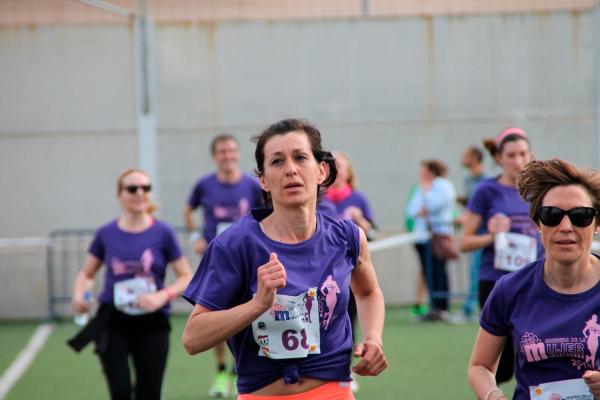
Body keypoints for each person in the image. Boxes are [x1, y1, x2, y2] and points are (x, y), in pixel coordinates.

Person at [182, 118, 387, 399]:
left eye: (300, 157)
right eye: (277, 162)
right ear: (264, 180)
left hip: (333, 391)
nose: (290, 169)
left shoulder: (348, 236)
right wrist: (257, 305)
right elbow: (192, 338)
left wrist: (373, 337)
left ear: (321, 171)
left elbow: (368, 292)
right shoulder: (234, 245)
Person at [468, 158, 600, 400]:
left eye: (581, 215)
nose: (566, 226)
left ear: (597, 224)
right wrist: (492, 395)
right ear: (538, 223)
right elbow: (480, 366)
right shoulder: (510, 289)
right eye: (552, 215)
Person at [69, 168, 192, 400]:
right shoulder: (106, 233)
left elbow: (186, 276)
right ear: (119, 195)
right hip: (113, 319)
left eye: (146, 188)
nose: (140, 193)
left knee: (149, 393)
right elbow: (87, 273)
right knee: (120, 391)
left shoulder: (163, 232)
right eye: (132, 188)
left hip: (152, 321)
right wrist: (79, 294)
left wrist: (163, 295)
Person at [460, 128, 543, 385]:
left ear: (531, 156)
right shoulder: (487, 191)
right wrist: (491, 235)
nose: (517, 161)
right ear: (499, 158)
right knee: (502, 365)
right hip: (497, 282)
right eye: (511, 155)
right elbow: (464, 242)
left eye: (522, 154)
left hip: (537, 280)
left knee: (536, 353)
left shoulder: (542, 190)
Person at [183, 133, 263, 397]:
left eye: (231, 151)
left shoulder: (252, 186)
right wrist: (195, 236)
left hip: (248, 261)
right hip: (216, 261)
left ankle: (240, 370)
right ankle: (220, 373)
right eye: (222, 151)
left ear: (238, 154)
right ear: (215, 156)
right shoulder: (204, 185)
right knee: (214, 314)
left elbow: (266, 214)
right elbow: (188, 209)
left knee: (247, 313)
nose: (227, 155)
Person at [325, 151, 378, 392]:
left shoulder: (358, 199)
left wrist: (363, 224)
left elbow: (373, 233)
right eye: (332, 165)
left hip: (351, 273)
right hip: (324, 274)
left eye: (341, 166)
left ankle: (346, 368)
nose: (337, 170)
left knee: (349, 320)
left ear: (348, 171)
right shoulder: (319, 199)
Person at [406, 159, 456, 320]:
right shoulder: (421, 186)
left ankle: (442, 307)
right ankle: (434, 306)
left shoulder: (442, 184)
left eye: (424, 170)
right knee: (428, 272)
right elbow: (412, 210)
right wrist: (424, 205)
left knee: (439, 271)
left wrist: (426, 196)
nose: (421, 174)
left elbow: (436, 205)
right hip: (421, 236)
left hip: (438, 235)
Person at [458, 146, 488, 320]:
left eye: (465, 154)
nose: (462, 158)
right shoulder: (467, 180)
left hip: (484, 233)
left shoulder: (485, 180)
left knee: (478, 271)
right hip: (473, 232)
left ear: (475, 158)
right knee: (474, 271)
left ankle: (471, 309)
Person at [326, 152, 376, 240]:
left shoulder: (359, 199)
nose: (334, 170)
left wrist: (359, 219)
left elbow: (373, 235)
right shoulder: (317, 200)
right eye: (330, 166)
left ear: (348, 172)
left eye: (338, 165)